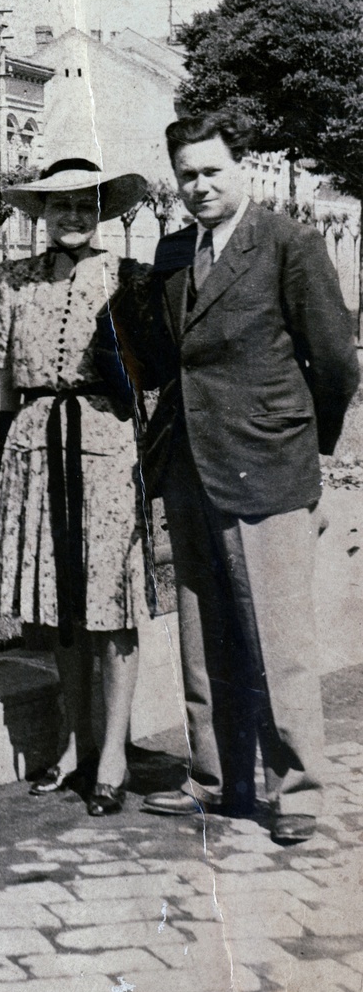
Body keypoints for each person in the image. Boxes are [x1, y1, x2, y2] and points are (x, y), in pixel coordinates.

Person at [105, 110, 358, 845]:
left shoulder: (288, 243)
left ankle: (299, 792)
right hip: (190, 466)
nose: (200, 187)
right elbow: (160, 356)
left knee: (277, 638)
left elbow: (337, 362)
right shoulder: (175, 250)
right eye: (187, 176)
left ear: (240, 166)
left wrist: (317, 453)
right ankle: (216, 779)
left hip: (268, 466)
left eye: (212, 171)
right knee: (200, 633)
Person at [0, 158, 151, 816]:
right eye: (61, 207)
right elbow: (0, 372)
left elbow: (150, 375)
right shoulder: (16, 280)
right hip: (34, 446)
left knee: (110, 601)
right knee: (59, 605)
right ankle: (74, 741)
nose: (73, 217)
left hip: (106, 446)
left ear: (102, 211)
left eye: (85, 205)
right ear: (41, 216)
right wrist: (5, 453)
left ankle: (113, 754)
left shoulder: (126, 278)